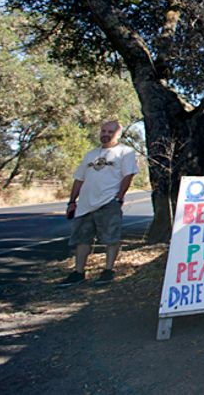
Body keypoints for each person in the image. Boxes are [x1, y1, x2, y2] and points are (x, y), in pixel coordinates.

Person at [59, 120, 138, 286]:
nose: (106, 134)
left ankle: (108, 270)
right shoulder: (91, 154)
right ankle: (78, 272)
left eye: (110, 132)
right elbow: (79, 179)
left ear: (118, 134)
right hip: (85, 204)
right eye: (104, 131)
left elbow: (128, 175)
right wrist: (72, 201)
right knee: (82, 239)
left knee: (111, 237)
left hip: (108, 201)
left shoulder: (125, 152)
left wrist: (119, 197)